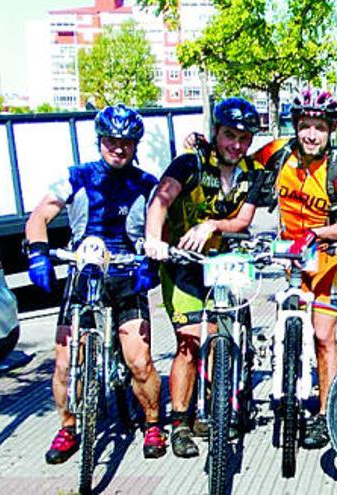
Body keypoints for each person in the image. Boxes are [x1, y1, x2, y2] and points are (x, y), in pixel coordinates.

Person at [25, 104, 166, 463]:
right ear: (99, 140)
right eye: (111, 141)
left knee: (140, 362)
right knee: (63, 362)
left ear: (136, 144)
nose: (118, 148)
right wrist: (38, 253)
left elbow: (158, 229)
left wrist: (150, 262)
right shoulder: (77, 176)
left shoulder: (148, 184)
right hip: (84, 273)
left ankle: (152, 423)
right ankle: (68, 427)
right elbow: (40, 215)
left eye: (126, 142)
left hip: (126, 274)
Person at [143, 97, 266, 458]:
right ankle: (180, 422)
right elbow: (160, 201)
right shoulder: (190, 163)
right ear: (216, 132)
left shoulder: (253, 173)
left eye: (244, 138)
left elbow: (242, 221)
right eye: (230, 135)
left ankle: (216, 409)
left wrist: (211, 223)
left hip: (222, 264)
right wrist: (153, 239)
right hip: (182, 263)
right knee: (189, 342)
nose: (236, 144)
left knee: (220, 337)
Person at [275, 87, 337, 449]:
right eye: (305, 126)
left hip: (330, 261)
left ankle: (329, 410)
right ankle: (290, 390)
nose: (311, 134)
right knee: (288, 331)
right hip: (293, 262)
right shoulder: (279, 156)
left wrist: (316, 233)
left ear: (330, 130)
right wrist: (197, 143)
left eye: (319, 127)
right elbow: (236, 154)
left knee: (324, 336)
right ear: (296, 126)